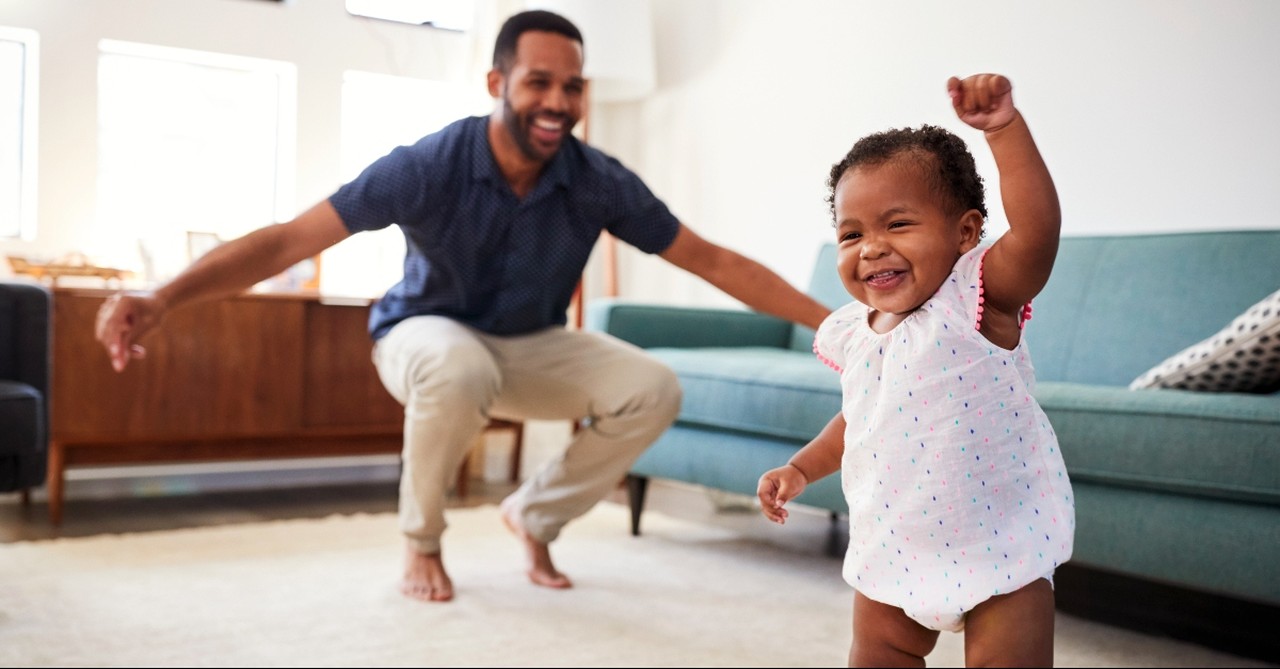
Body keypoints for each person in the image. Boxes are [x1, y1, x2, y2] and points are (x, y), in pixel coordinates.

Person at [94, 9, 830, 604]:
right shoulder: (427, 165)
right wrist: (163, 297)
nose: (558, 103)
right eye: (539, 82)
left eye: (573, 87)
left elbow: (711, 259)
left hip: (529, 343)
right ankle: (421, 539)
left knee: (654, 386)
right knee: (454, 363)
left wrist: (831, 322)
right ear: (496, 80)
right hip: (422, 337)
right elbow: (289, 239)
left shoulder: (597, 179)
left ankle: (533, 514)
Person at [756, 73, 1074, 667]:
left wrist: (1003, 132)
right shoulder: (857, 331)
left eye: (897, 225)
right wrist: (801, 469)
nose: (870, 247)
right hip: (894, 544)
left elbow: (1037, 233)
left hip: (998, 546)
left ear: (966, 233)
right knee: (875, 654)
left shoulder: (975, 301)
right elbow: (861, 419)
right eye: (852, 234)